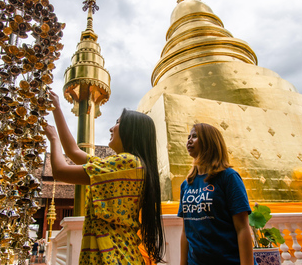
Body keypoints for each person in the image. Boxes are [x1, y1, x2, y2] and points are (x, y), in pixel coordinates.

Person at [43, 91, 165, 264]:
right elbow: (73, 151)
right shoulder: (121, 166)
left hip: (113, 256)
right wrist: (56, 109)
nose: (111, 127)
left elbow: (60, 171)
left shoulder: (126, 163)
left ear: (131, 131)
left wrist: (53, 138)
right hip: (118, 253)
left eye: (118, 123)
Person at [178, 123, 255, 265]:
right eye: (188, 137)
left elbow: (242, 228)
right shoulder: (186, 185)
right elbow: (185, 231)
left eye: (194, 136)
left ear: (209, 141)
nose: (189, 140)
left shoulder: (228, 177)